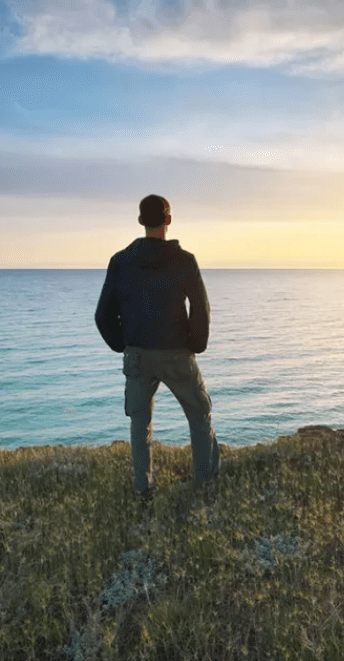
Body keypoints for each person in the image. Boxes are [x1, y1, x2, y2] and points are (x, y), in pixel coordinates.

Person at [95, 194, 219, 498]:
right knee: (199, 416)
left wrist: (124, 344)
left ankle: (144, 490)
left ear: (141, 221)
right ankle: (206, 486)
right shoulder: (184, 260)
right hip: (176, 354)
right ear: (168, 220)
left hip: (137, 354)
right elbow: (201, 308)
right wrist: (196, 345)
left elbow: (102, 315)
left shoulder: (120, 261)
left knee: (140, 424)